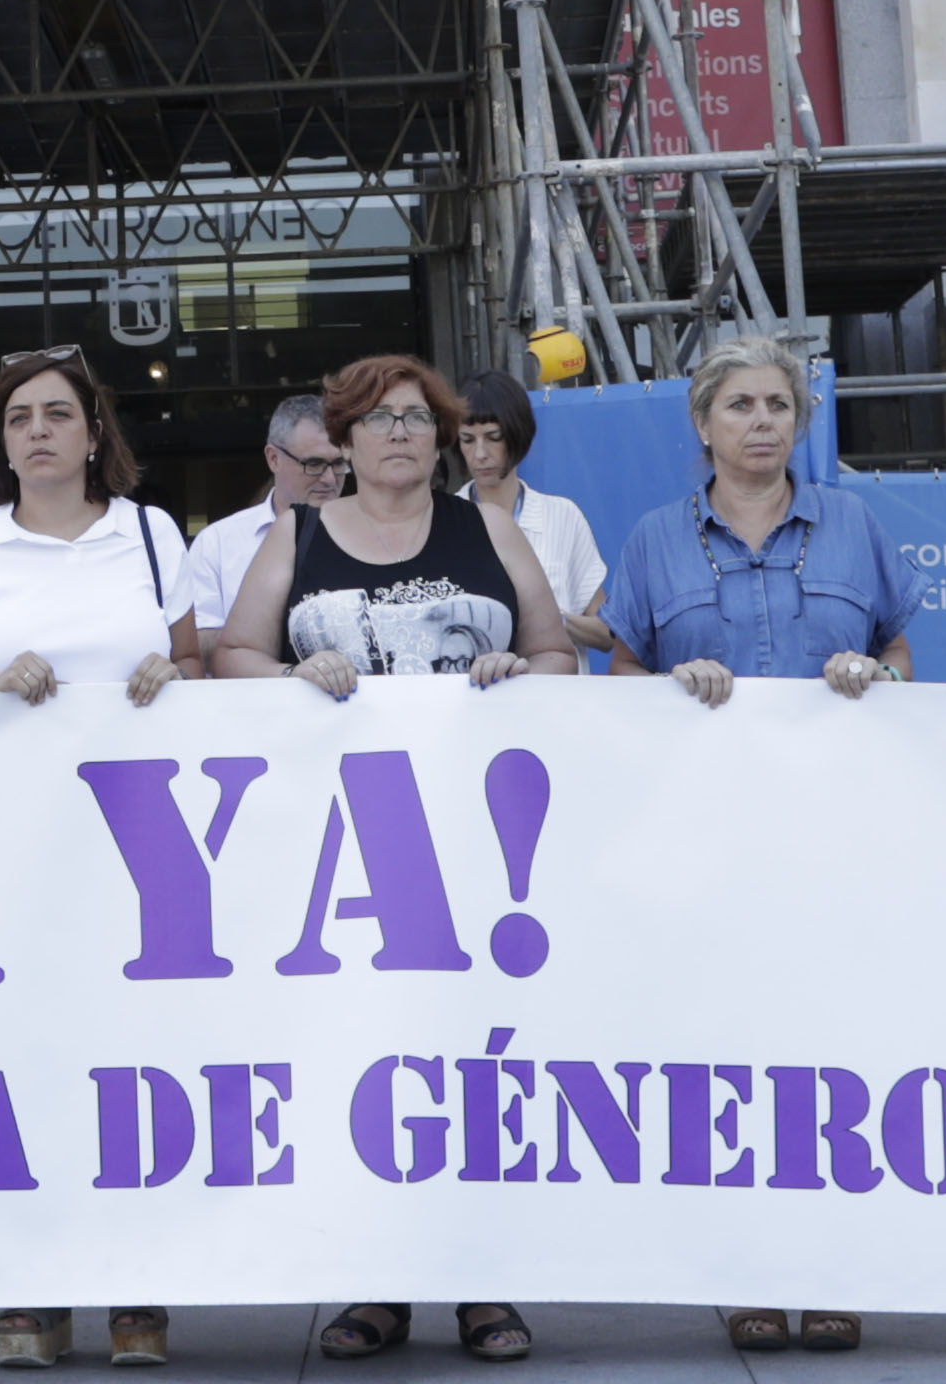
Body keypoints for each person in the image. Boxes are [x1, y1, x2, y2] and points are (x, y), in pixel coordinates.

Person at [216, 354, 572, 1366]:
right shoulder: (295, 535)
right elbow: (231, 655)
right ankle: (378, 1277)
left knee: (475, 1053)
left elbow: (559, 652)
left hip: (474, 844)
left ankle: (482, 1280)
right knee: (363, 1058)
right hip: (341, 850)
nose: (401, 434)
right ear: (345, 439)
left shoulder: (489, 529)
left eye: (418, 417)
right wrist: (292, 675)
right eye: (378, 420)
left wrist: (519, 669)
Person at [597, 335, 922, 1359]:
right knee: (728, 1052)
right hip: (710, 841)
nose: (762, 421)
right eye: (739, 404)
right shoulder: (655, 538)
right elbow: (620, 676)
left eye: (778, 404)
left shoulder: (854, 525)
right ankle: (745, 1270)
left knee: (837, 1050)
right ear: (703, 424)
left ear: (800, 420)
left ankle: (835, 1271)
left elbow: (900, 647)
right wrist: (667, 688)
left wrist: (882, 677)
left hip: (837, 836)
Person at [0, 348, 196, 1372]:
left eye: (57, 414)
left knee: (136, 1062)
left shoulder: (151, 535)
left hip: (139, 848)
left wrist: (175, 671)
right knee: (25, 1058)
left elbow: (196, 661)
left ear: (93, 432)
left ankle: (135, 1286)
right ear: (2, 441)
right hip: (9, 847)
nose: (37, 431)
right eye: (19, 417)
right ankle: (31, 1284)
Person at [454, 369, 613, 657]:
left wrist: (549, 620)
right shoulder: (443, 521)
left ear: (518, 435)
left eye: (493, 437)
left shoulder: (562, 516)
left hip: (553, 684)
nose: (480, 454)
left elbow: (606, 633)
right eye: (467, 439)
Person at [181, 396, 345, 672]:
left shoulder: (371, 535)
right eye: (314, 464)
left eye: (339, 463)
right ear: (273, 459)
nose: (329, 479)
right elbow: (193, 647)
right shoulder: (217, 542)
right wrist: (271, 635)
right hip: (251, 697)